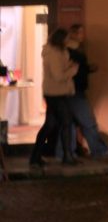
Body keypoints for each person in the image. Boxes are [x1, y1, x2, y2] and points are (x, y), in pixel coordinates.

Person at [58, 24, 108, 160]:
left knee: (68, 123)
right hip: (75, 91)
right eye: (81, 33)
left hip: (67, 91)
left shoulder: (68, 50)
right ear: (75, 34)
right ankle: (99, 149)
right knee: (88, 122)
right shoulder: (72, 51)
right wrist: (86, 69)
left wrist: (88, 68)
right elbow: (74, 70)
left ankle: (65, 152)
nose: (83, 36)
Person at [29, 28, 78, 167]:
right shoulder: (54, 53)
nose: (69, 41)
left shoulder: (58, 50)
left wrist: (68, 64)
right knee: (66, 122)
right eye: (66, 38)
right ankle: (67, 156)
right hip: (56, 93)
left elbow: (73, 46)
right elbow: (58, 76)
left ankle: (35, 157)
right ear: (60, 40)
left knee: (50, 124)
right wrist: (72, 70)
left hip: (55, 92)